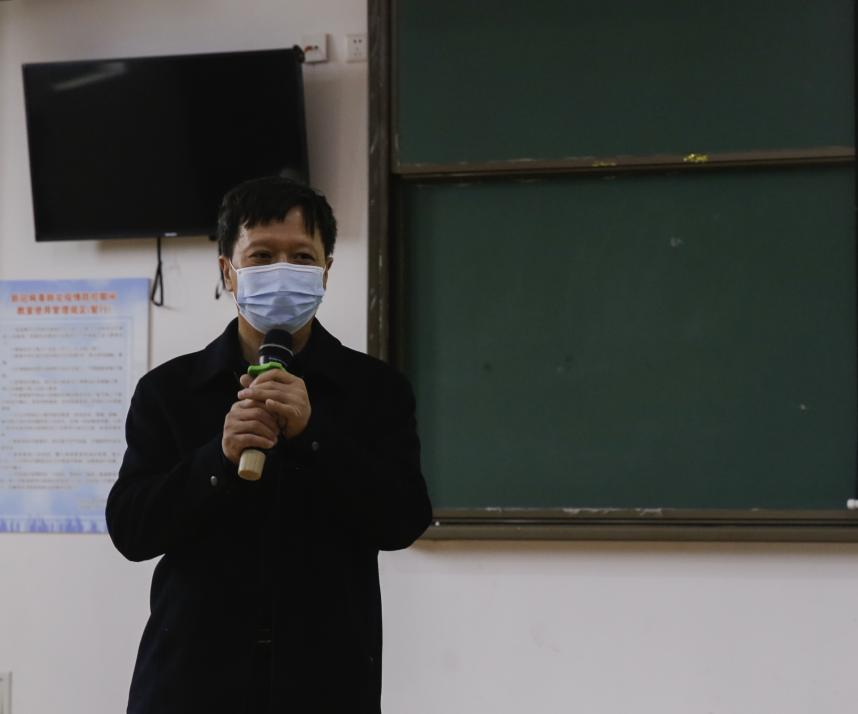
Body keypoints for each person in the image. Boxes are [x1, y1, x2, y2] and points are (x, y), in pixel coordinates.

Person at [106, 176, 433, 714]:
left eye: (302, 257)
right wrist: (217, 460)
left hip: (326, 684)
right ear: (227, 271)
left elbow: (403, 520)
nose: (283, 270)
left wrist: (314, 436)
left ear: (326, 271)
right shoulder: (169, 391)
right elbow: (131, 530)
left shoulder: (376, 390)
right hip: (190, 683)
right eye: (261, 255)